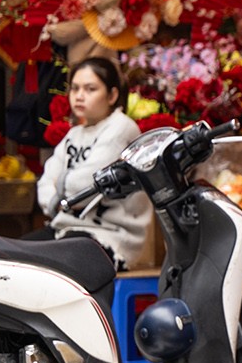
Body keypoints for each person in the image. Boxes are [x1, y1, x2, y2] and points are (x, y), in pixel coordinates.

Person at [33, 57, 152, 270]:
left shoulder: (121, 127)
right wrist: (60, 197)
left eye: (90, 89)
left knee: (44, 264)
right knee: (14, 257)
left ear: (112, 95)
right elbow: (44, 183)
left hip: (111, 238)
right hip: (67, 230)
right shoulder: (74, 134)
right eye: (75, 88)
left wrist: (59, 188)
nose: (79, 96)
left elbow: (86, 186)